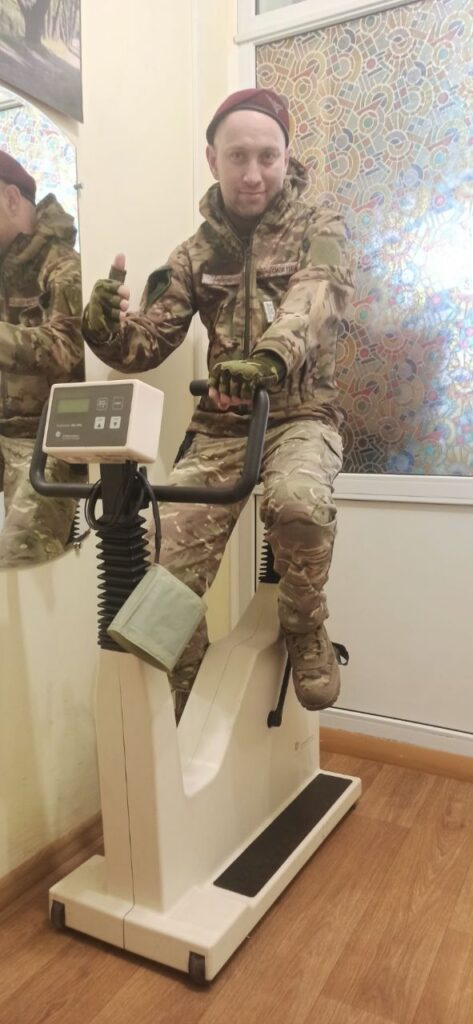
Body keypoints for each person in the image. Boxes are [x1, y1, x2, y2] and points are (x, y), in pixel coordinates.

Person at [82, 87, 354, 720]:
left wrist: (269, 360)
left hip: (300, 417)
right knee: (158, 574)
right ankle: (192, 686)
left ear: (286, 157)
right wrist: (105, 330)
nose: (252, 173)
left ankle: (304, 622)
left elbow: (315, 300)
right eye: (237, 156)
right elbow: (148, 342)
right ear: (213, 159)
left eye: (267, 156)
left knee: (298, 505)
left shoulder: (321, 229)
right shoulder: (193, 253)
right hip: (223, 426)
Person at [0, 150, 85, 568]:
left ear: (11, 198)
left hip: (46, 437)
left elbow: (64, 349)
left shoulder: (63, 266)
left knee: (21, 551)